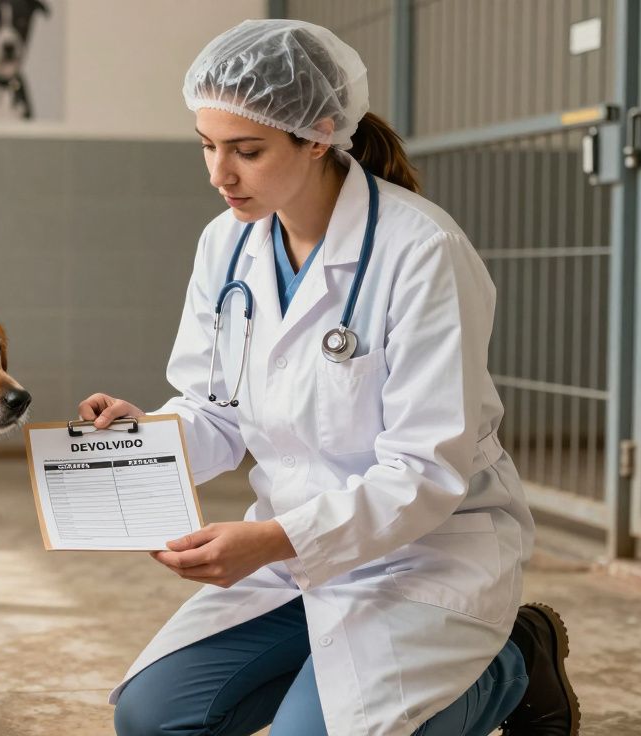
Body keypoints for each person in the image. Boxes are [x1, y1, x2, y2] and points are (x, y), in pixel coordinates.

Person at [78, 19, 580, 736]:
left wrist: (273, 539)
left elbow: (425, 470)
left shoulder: (422, 250)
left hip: (424, 554)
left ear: (318, 135)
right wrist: (146, 436)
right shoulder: (226, 244)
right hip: (295, 557)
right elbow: (215, 409)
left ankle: (514, 660)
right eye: (208, 146)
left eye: (247, 151)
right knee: (151, 718)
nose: (219, 174)